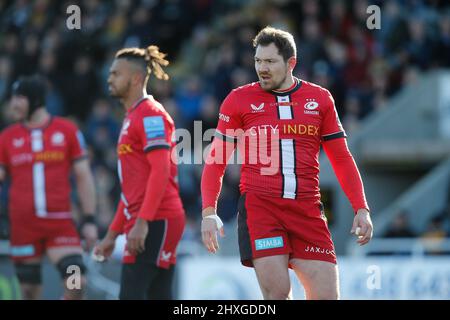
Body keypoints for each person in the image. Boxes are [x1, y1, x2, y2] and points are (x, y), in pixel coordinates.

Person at [200, 27, 373, 300]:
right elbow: (216, 159)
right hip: (262, 209)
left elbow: (341, 158)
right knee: (278, 294)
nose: (262, 68)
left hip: (307, 210)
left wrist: (361, 207)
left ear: (291, 63)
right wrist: (209, 211)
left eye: (270, 61)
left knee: (327, 297)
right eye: (258, 61)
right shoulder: (238, 99)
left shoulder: (320, 99)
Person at [93, 45, 185, 300]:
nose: (109, 79)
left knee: (130, 294)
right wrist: (112, 235)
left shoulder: (151, 115)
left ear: (134, 79)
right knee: (159, 294)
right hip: (150, 219)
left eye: (115, 74)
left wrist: (142, 222)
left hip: (157, 219)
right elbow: (132, 192)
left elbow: (161, 170)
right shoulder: (132, 117)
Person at [0, 74, 98, 299]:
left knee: (76, 283)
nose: (13, 103)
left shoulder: (67, 131)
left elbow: (84, 177)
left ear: (35, 99)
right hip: (24, 228)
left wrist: (90, 219)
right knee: (28, 292)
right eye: (12, 98)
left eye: (19, 97)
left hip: (60, 226)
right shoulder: (6, 138)